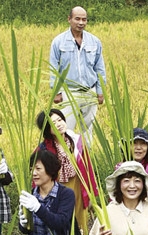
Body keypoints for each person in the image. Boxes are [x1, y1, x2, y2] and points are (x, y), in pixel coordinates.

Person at [35, 108, 97, 235]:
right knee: (63, 224)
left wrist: (92, 195)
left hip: (78, 187)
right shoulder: (44, 149)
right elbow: (37, 174)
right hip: (59, 190)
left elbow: (88, 169)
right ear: (47, 130)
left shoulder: (76, 141)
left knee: (81, 225)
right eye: (53, 123)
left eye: (60, 120)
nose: (59, 124)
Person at [49, 6, 106, 137]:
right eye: (77, 19)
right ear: (69, 19)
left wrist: (100, 91)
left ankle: (85, 156)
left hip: (89, 91)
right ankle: (67, 156)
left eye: (84, 20)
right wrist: (56, 92)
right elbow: (53, 68)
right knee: (66, 129)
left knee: (88, 129)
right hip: (69, 92)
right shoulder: (58, 42)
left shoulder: (94, 41)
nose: (81, 23)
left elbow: (100, 68)